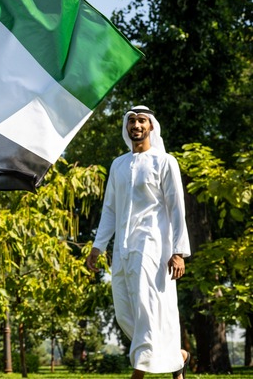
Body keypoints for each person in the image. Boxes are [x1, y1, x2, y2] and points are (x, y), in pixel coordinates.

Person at [85, 105, 191, 379]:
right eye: (132, 121)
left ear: (151, 126)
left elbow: (177, 208)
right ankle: (176, 358)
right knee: (124, 312)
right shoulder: (118, 164)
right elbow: (109, 209)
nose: (136, 125)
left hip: (153, 246)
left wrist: (179, 252)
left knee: (147, 309)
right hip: (122, 249)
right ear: (126, 127)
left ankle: (139, 373)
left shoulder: (165, 161)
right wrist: (98, 247)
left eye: (142, 120)